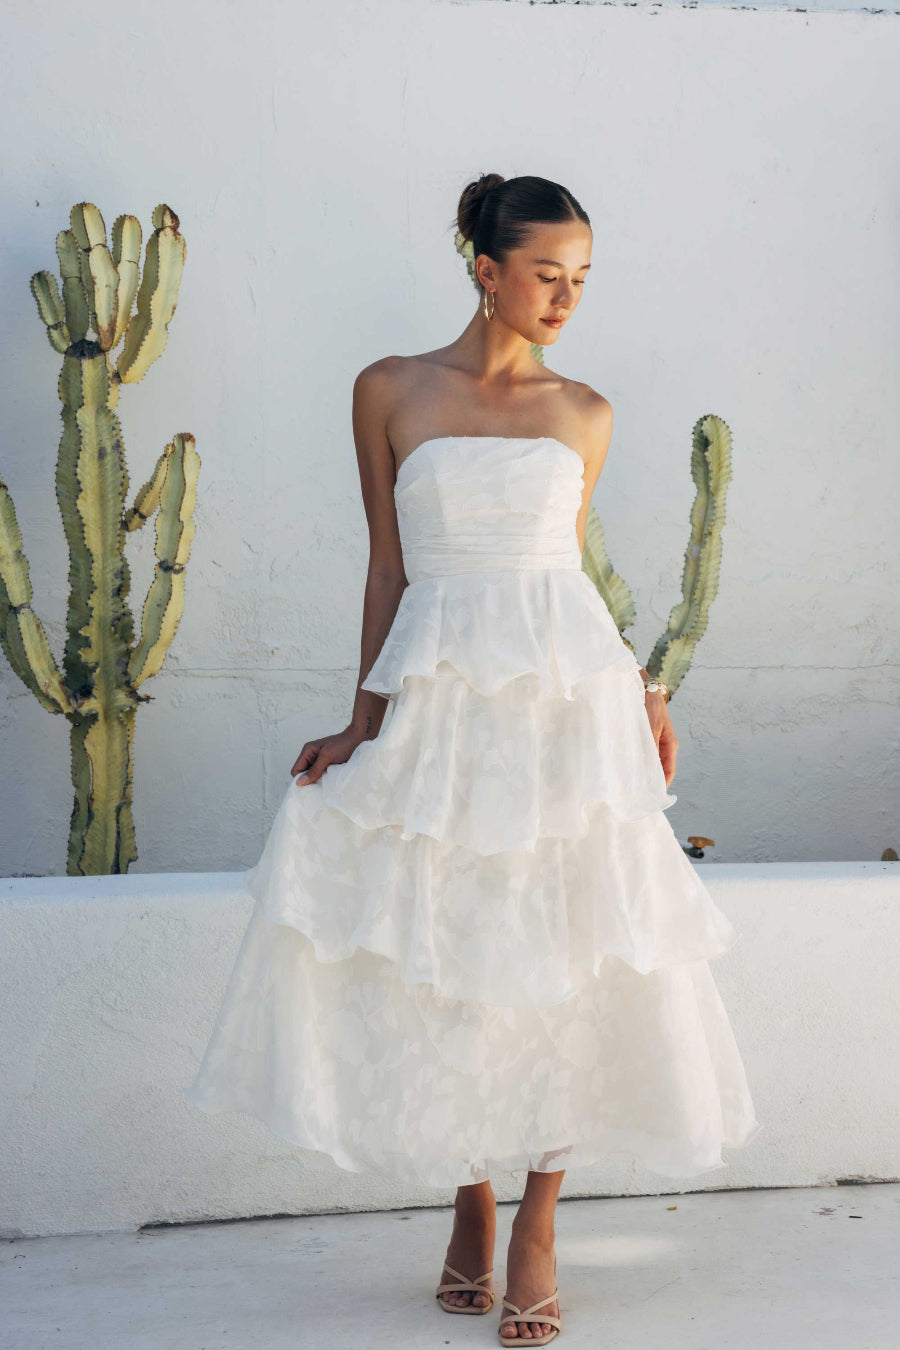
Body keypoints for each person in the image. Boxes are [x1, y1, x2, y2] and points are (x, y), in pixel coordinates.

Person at [185, 172, 762, 1347]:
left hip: (565, 702)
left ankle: (538, 1224)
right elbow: (388, 568)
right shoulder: (390, 390)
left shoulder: (586, 411)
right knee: (442, 947)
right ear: (485, 267)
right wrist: (360, 721)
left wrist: (644, 686)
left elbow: (577, 575)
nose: (567, 297)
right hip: (441, 696)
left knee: (566, 951)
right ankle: (468, 1195)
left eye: (583, 278)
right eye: (547, 274)